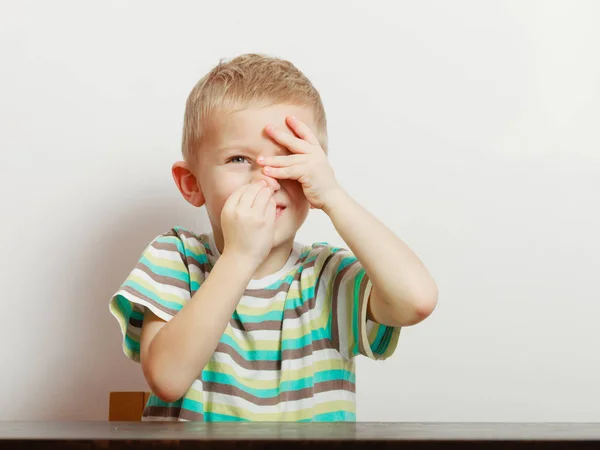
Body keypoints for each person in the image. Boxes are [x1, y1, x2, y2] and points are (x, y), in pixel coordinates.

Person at [109, 53, 438, 422]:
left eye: (289, 159)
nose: (266, 179)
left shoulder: (325, 276)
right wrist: (240, 256)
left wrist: (334, 197)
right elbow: (167, 378)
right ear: (192, 183)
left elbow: (418, 300)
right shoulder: (176, 258)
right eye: (238, 159)